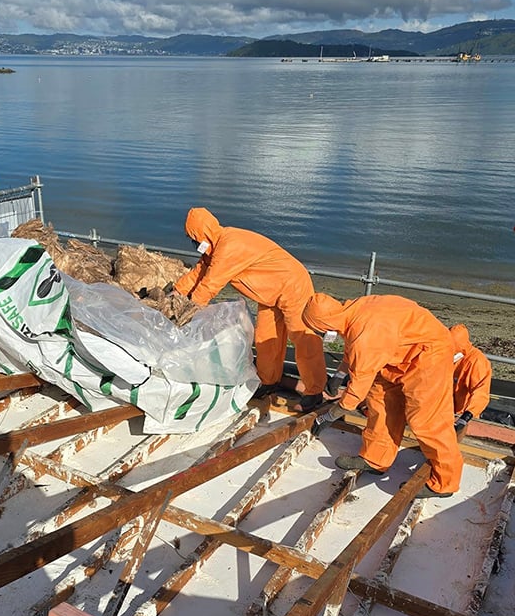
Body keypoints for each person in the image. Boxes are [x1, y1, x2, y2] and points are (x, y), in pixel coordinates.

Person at [302, 292, 463, 499]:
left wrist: (329, 416)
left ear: (324, 326)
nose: (319, 334)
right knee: (379, 398)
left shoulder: (365, 334)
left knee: (426, 419)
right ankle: (375, 459)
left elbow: (357, 388)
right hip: (399, 354)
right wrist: (339, 375)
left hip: (430, 354)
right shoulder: (352, 312)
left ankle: (445, 482)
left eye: (318, 331)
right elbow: (354, 346)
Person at [174, 207, 327, 410]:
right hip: (271, 294)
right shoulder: (215, 248)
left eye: (194, 238)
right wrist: (176, 292)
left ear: (202, 234)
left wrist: (190, 311)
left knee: (302, 338)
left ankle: (314, 392)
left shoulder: (229, 245)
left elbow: (210, 284)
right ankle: (268, 382)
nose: (194, 244)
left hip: (292, 285)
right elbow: (199, 273)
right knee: (265, 338)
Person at [450, 323, 492, 434]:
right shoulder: (447, 356)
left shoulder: (477, 362)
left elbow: (481, 393)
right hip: (444, 412)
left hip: (462, 417)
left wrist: (466, 416)